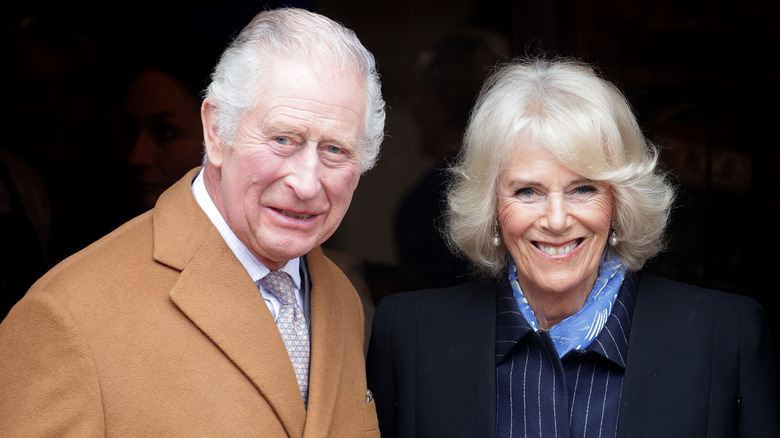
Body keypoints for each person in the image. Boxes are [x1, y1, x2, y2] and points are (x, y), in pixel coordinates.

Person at [0, 7, 385, 437]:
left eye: (335, 149)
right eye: (282, 139)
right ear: (217, 132)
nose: (307, 182)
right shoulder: (68, 315)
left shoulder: (342, 299)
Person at [366, 57, 779, 437]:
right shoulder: (410, 335)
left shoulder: (727, 335)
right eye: (527, 191)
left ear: (620, 200)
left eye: (583, 188)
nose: (558, 220)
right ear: (491, 205)